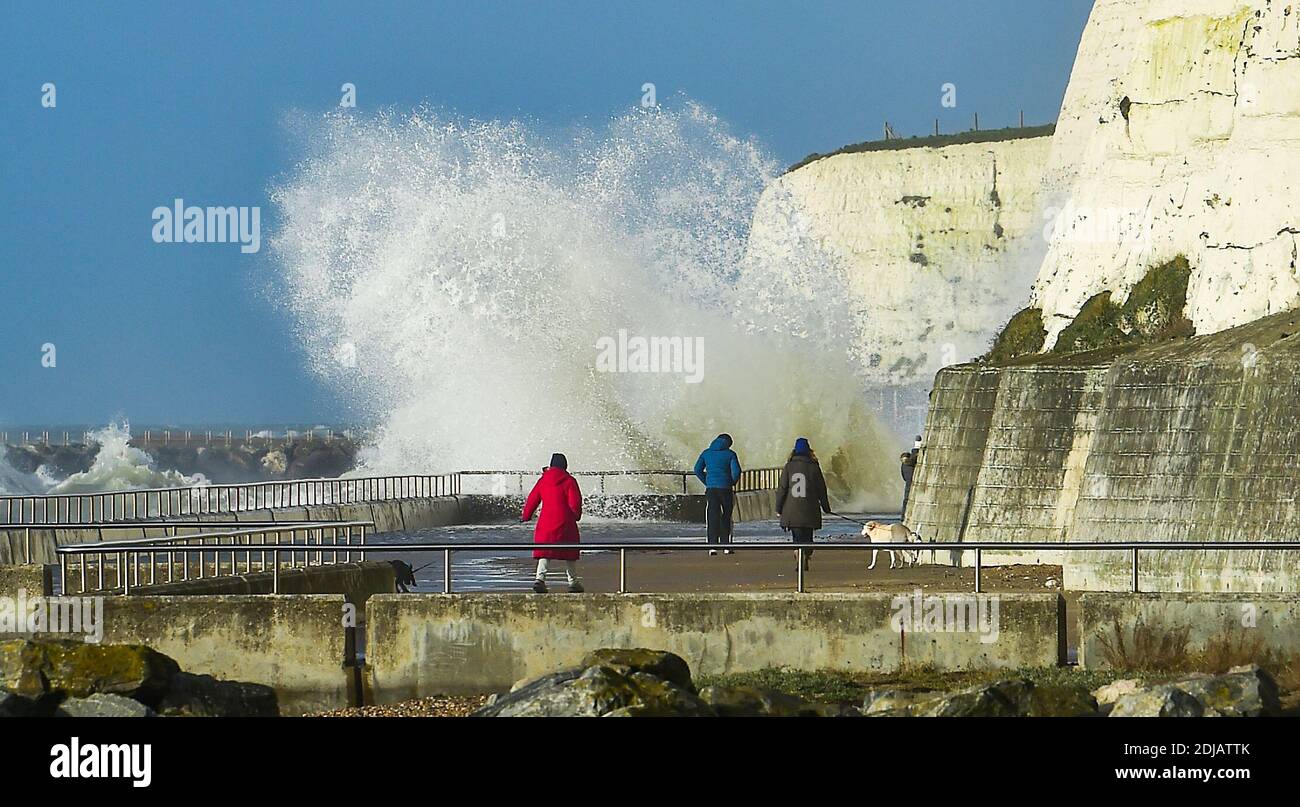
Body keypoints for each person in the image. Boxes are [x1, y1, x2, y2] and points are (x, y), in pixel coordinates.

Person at [521, 453, 584, 593]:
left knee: (545, 552)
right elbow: (575, 502)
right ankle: (573, 582)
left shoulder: (542, 480)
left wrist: (525, 516)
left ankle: (540, 579)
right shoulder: (569, 481)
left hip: (546, 523)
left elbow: (532, 499)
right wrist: (576, 515)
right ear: (565, 466)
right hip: (565, 522)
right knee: (570, 551)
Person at [775, 437, 830, 570]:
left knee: (797, 537)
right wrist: (826, 507)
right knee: (808, 536)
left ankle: (799, 555)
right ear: (808, 451)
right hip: (810, 510)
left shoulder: (789, 466)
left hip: (792, 510)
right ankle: (806, 553)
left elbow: (782, 489)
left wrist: (778, 508)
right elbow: (821, 489)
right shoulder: (814, 467)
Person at [693, 433, 741, 555]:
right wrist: (731, 482)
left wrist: (707, 481)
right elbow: (737, 471)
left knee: (712, 516)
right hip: (726, 489)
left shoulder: (706, 453)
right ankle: (726, 546)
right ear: (728, 443)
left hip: (711, 489)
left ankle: (712, 546)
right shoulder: (730, 454)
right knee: (726, 515)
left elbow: (697, 470)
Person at [900, 435, 921, 515]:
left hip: (909, 483)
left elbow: (903, 476)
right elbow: (914, 454)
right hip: (910, 482)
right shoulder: (909, 463)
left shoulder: (905, 464)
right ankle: (904, 516)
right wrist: (917, 445)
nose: (905, 461)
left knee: (906, 500)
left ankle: (903, 516)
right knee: (907, 500)